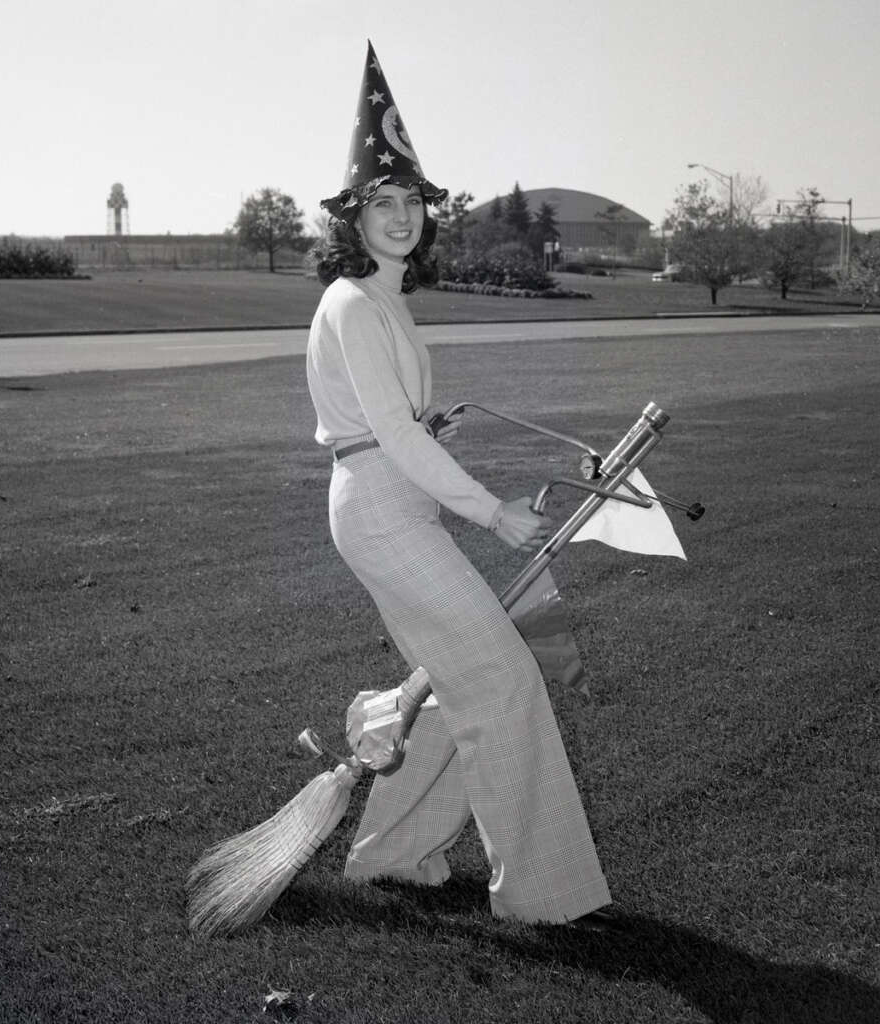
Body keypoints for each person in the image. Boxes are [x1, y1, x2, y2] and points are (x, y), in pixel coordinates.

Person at [305, 42, 612, 927]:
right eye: (382, 203)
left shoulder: (388, 300)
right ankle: (543, 895)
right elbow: (387, 431)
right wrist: (488, 509)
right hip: (380, 512)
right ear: (352, 218)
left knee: (450, 681)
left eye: (411, 202)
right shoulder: (351, 300)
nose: (400, 216)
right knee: (505, 679)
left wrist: (428, 434)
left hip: (394, 501)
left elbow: (393, 421)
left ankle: (392, 855)